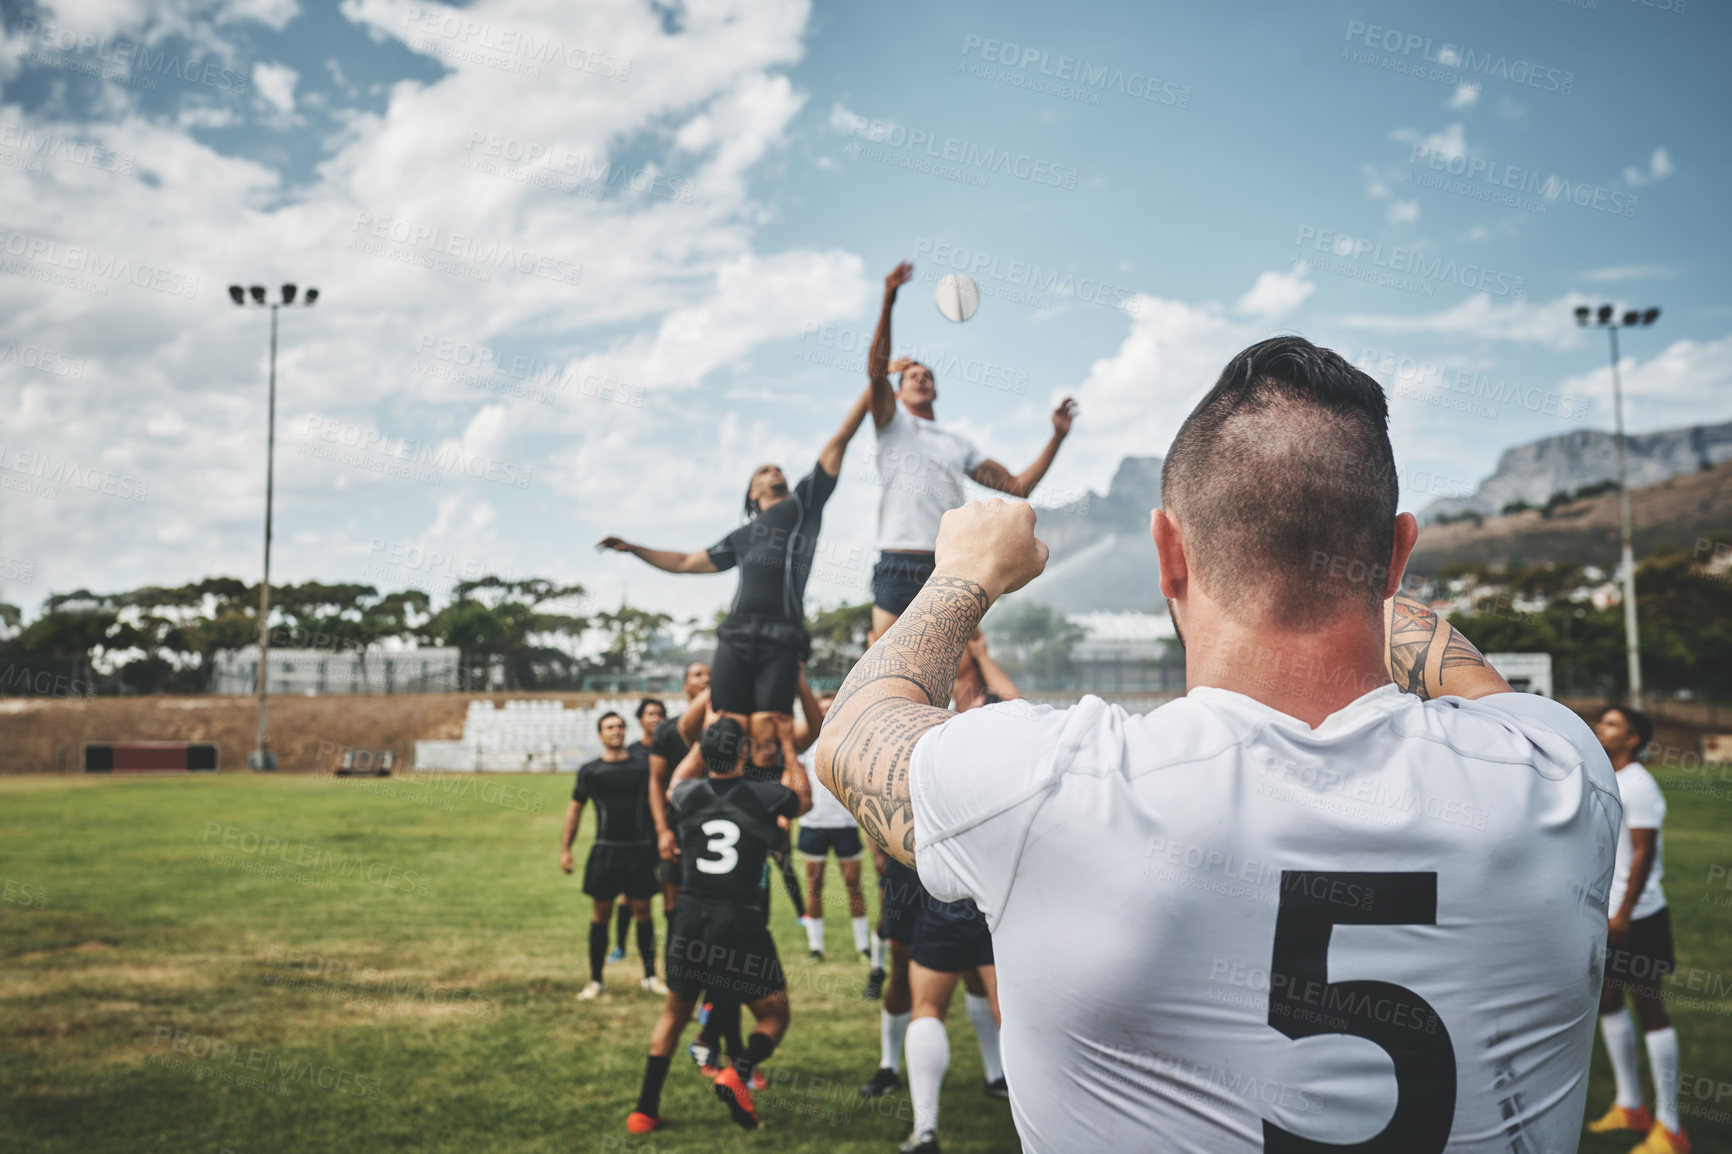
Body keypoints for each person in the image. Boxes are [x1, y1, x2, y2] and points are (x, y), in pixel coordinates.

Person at [818, 336, 1622, 1152]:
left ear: (1169, 555)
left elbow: (851, 735)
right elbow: (1480, 688)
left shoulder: (1059, 786)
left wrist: (962, 574)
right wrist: (1362, 571)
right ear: (1398, 558)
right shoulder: (1559, 772)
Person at [600, 387, 873, 767]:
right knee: (724, 726)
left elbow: (839, 439)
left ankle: (764, 806)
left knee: (768, 729)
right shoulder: (739, 537)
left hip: (782, 634)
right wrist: (633, 548)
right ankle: (715, 801)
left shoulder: (802, 506)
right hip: (737, 634)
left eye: (778, 468)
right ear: (751, 492)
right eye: (764, 470)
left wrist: (871, 388)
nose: (775, 470)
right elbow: (682, 562)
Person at [864, 260, 1077, 645]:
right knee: (886, 659)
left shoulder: (957, 441)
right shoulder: (889, 423)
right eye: (912, 376)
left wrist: (1057, 437)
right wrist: (888, 300)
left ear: (936, 389)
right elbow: (876, 372)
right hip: (897, 559)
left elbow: (1018, 485)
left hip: (947, 562)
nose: (921, 378)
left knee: (961, 670)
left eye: (928, 376)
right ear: (898, 391)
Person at [627, 716, 813, 1136]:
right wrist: (787, 742)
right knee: (775, 1015)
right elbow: (803, 799)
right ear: (744, 753)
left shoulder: (688, 794)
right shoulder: (765, 794)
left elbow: (675, 781)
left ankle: (643, 1110)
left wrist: (701, 739)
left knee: (674, 1014)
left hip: (690, 917)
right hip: (741, 919)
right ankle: (738, 1071)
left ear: (704, 755)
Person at [859, 631, 1019, 1111]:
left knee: (979, 968)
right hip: (910, 863)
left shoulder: (988, 703)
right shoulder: (916, 697)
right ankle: (889, 1063)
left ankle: (997, 1074)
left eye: (968, 636)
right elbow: (873, 772)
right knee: (907, 970)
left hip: (972, 861)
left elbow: (1020, 713)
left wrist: (985, 657)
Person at [1586, 705, 1688, 1154]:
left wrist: (1625, 913)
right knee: (1608, 999)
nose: (1598, 729)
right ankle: (1631, 1106)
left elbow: (1644, 855)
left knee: (1650, 1008)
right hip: (1606, 914)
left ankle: (1671, 1127)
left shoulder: (1639, 785)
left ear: (1631, 740)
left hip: (1638, 916)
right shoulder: (1609, 778)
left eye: (1610, 724)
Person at [561, 712, 667, 999]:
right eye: (609, 727)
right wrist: (566, 849)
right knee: (601, 915)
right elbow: (575, 809)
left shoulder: (643, 767)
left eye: (620, 726)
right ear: (600, 735)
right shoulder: (591, 771)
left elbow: (658, 800)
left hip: (639, 849)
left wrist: (662, 834)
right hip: (605, 850)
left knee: (644, 913)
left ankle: (650, 976)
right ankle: (595, 980)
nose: (616, 731)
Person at [791, 681, 872, 963]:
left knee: (854, 885)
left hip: (845, 825)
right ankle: (816, 948)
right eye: (821, 710)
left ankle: (863, 946)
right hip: (814, 824)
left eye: (830, 709)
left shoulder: (852, 741)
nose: (825, 714)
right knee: (814, 887)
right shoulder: (804, 744)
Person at [612, 697, 668, 961]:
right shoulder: (632, 752)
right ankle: (620, 946)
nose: (655, 718)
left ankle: (670, 947)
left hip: (665, 829)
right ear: (640, 719)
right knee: (627, 896)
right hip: (637, 832)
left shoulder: (669, 749)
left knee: (669, 890)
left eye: (659, 714)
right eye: (649, 714)